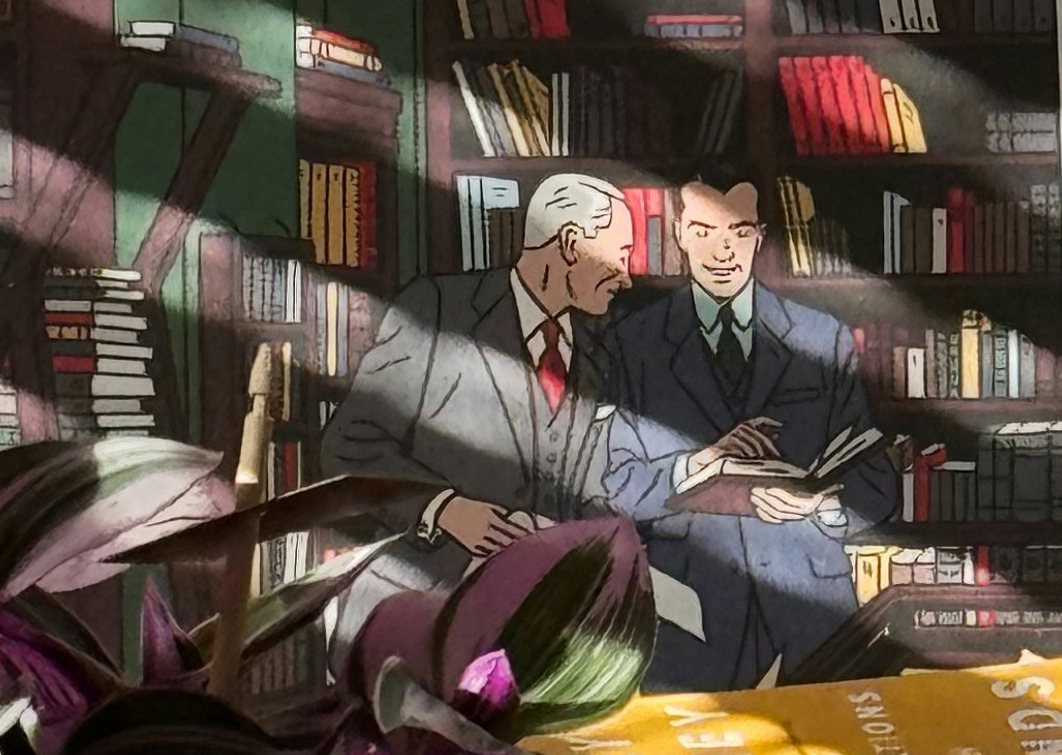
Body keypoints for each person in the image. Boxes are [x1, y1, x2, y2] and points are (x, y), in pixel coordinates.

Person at [603, 174, 895, 686]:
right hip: (689, 607)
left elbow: (877, 482)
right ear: (677, 233)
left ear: (760, 236)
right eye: (704, 230)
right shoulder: (633, 342)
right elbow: (610, 484)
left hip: (812, 605)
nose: (723, 251)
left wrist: (821, 505)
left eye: (739, 232)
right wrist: (696, 467)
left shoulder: (820, 337)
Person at [321, 170, 635, 601]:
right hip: (422, 601)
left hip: (543, 611)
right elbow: (349, 446)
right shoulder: (437, 310)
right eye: (618, 256)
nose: (626, 277)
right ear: (569, 244)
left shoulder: (599, 357)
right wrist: (447, 510)